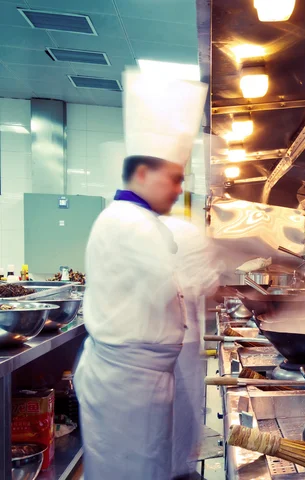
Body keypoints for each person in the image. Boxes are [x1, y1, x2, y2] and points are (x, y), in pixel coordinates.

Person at [74, 69, 207, 479]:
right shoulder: (128, 223)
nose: (177, 189)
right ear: (144, 174)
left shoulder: (139, 220)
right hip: (125, 386)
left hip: (136, 382)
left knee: (145, 468)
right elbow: (178, 277)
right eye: (173, 179)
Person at [161, 216, 219, 478]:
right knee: (181, 411)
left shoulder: (140, 229)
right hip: (181, 339)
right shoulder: (191, 234)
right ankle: (179, 470)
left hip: (144, 342)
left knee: (159, 415)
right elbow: (209, 284)